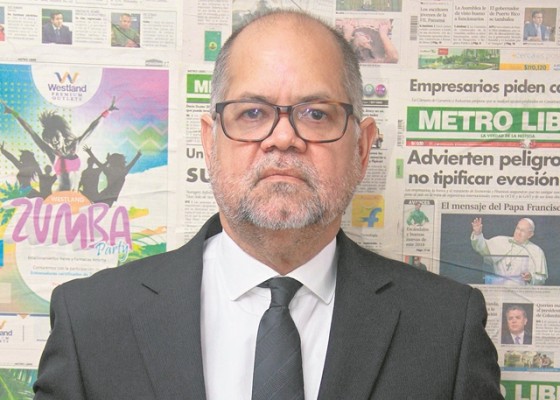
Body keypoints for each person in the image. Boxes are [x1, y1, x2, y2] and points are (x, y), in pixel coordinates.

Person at [33, 10, 503, 400]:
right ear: (210, 143)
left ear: (362, 148)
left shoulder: (447, 328)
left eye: (315, 114)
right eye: (252, 112)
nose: (282, 138)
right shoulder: (90, 321)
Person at [471, 217, 548, 286]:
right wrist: (478, 234)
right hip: (498, 290)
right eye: (518, 228)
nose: (518, 233)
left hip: (521, 293)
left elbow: (541, 278)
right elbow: (482, 248)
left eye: (523, 231)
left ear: (530, 234)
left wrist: (531, 278)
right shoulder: (501, 241)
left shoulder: (537, 251)